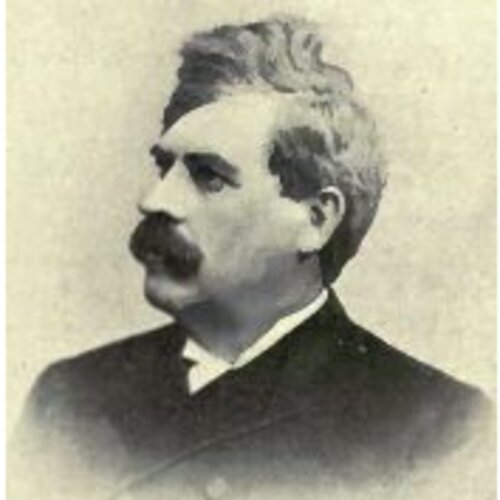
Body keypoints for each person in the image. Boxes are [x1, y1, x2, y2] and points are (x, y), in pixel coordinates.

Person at [13, 16, 490, 500]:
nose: (153, 200)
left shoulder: (436, 429)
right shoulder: (68, 399)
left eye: (208, 176)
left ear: (316, 219)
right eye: (164, 167)